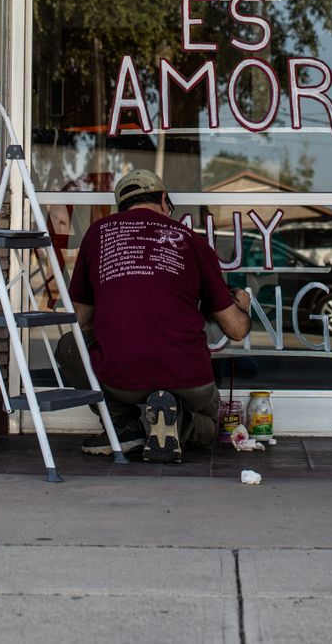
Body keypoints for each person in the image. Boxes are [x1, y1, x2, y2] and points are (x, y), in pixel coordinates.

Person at [55, 168, 251, 461]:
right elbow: (235, 329)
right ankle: (180, 421)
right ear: (163, 200)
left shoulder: (98, 234)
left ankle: (123, 425)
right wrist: (243, 306)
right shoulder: (193, 242)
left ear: (121, 206)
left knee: (70, 346)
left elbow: (79, 320)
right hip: (188, 380)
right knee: (210, 425)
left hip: (120, 379)